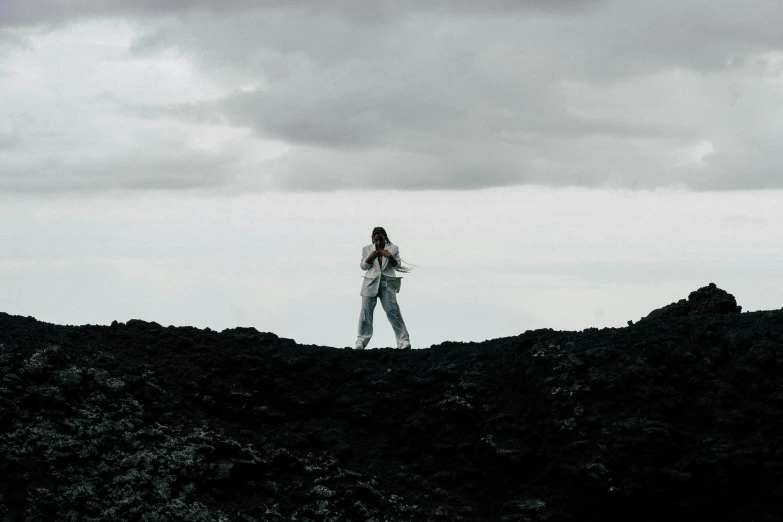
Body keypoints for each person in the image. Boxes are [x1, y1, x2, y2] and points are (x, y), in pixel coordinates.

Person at [355, 226, 412, 350]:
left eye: (381, 239)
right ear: (373, 240)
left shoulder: (393, 248)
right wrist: (372, 256)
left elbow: (397, 267)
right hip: (370, 283)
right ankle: (361, 341)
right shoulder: (366, 249)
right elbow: (363, 267)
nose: (378, 242)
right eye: (376, 240)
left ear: (385, 238)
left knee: (393, 311)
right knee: (366, 312)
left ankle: (403, 341)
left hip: (387, 283)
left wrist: (390, 256)